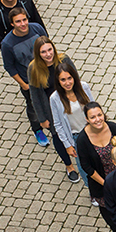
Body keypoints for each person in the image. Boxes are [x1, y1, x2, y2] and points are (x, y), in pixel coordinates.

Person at [28, 38, 80, 182]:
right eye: (43, 52)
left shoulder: (64, 60)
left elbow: (76, 80)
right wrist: (42, 119)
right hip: (52, 110)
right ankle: (69, 166)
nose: (48, 54)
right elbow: (35, 96)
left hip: (71, 105)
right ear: (38, 54)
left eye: (50, 50)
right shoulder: (34, 69)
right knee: (58, 136)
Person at [0, 7, 49, 146]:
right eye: (18, 21)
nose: (23, 24)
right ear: (12, 24)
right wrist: (23, 84)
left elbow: (47, 45)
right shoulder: (8, 44)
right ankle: (37, 129)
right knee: (33, 106)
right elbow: (9, 66)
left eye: (24, 19)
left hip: (47, 74)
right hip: (29, 81)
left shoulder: (37, 28)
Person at [76, 103, 116, 226]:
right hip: (101, 183)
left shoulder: (113, 128)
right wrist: (106, 183)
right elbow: (86, 166)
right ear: (87, 120)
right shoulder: (83, 139)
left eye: (100, 115)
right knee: (109, 210)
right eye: (93, 117)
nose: (97, 119)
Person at [49, 61, 94, 187]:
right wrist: (67, 145)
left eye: (69, 78)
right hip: (76, 137)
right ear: (58, 81)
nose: (67, 83)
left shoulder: (84, 87)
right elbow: (58, 124)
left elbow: (93, 107)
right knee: (83, 166)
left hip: (91, 131)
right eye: (63, 80)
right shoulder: (55, 98)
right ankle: (92, 191)